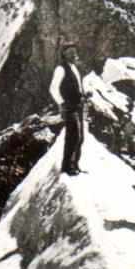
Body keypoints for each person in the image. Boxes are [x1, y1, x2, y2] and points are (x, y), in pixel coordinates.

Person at [49, 42, 85, 176]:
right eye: (70, 52)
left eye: (75, 52)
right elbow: (53, 88)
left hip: (78, 105)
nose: (74, 54)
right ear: (64, 54)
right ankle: (67, 167)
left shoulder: (73, 67)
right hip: (69, 107)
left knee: (80, 137)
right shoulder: (61, 69)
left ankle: (75, 164)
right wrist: (62, 103)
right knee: (73, 136)